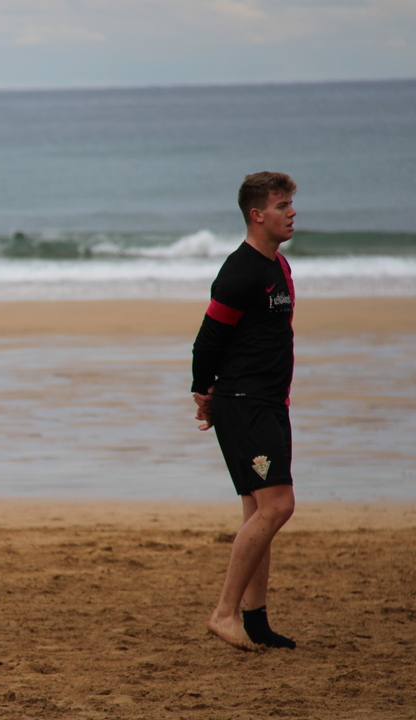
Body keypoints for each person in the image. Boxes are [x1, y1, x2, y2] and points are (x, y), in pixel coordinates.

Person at [191, 171, 299, 652]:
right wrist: (204, 393)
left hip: (270, 404)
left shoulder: (280, 267)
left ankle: (255, 620)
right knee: (278, 506)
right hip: (244, 404)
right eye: (281, 205)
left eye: (290, 203)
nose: (291, 212)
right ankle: (224, 612)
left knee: (259, 510)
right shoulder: (240, 273)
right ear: (257, 215)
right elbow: (207, 341)